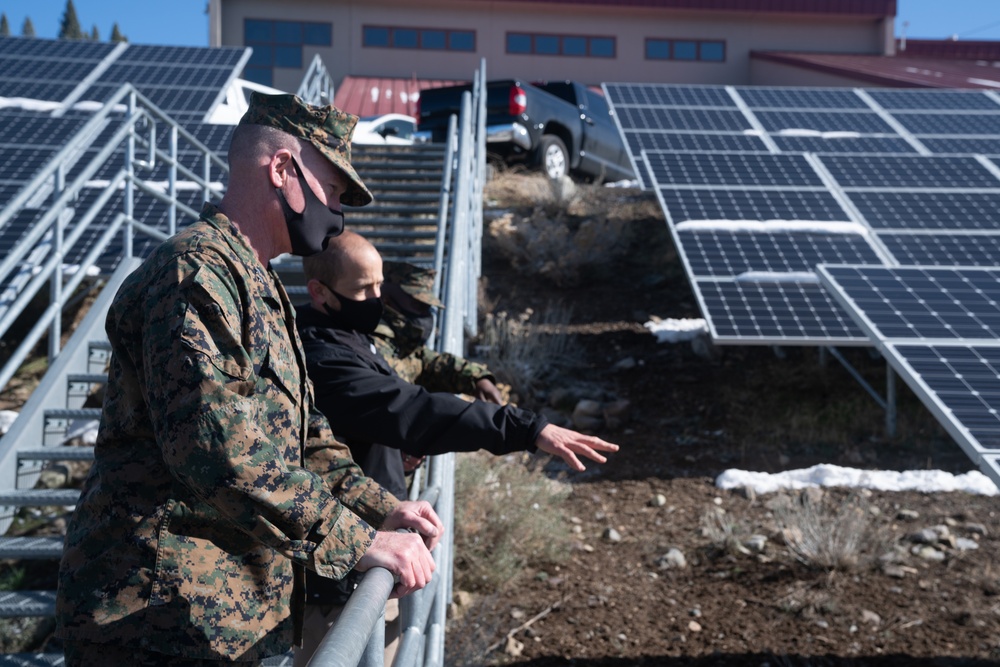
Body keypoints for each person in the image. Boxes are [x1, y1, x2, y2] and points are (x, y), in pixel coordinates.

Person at [55, 93, 443, 666]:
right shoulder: (195, 274)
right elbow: (217, 450)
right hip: (154, 614)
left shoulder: (258, 284)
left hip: (222, 614)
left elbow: (303, 438)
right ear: (283, 170)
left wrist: (376, 506)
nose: (337, 212)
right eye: (333, 191)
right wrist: (355, 539)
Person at [291, 230, 620, 664]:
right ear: (320, 292)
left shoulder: (350, 336)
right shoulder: (322, 352)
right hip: (337, 579)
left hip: (366, 555)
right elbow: (411, 409)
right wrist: (526, 428)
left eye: (379, 285)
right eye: (362, 289)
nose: (376, 299)